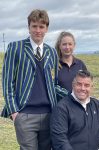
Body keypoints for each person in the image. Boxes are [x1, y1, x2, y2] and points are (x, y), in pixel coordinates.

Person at [1, 9, 60, 150]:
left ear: (46, 29)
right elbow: (7, 82)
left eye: (41, 26)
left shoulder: (52, 52)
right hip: (25, 114)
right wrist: (14, 113)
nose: (38, 30)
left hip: (48, 114)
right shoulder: (15, 48)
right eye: (34, 26)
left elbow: (54, 84)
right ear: (29, 27)